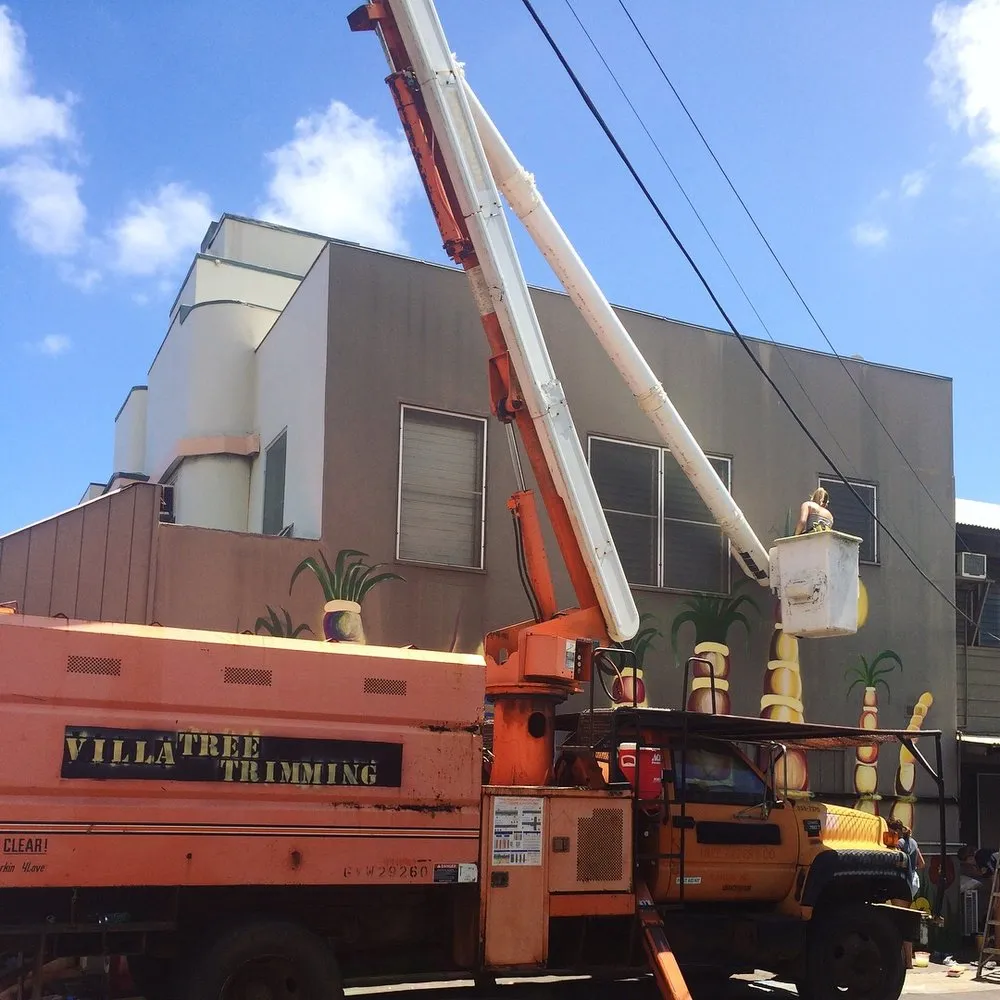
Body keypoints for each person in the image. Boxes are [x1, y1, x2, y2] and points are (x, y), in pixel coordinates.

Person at [889, 819, 924, 898]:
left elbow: (896, 862)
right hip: (914, 880)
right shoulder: (914, 842)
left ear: (896, 831)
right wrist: (912, 867)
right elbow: (922, 864)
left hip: (904, 881)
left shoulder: (899, 843)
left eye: (889, 832)